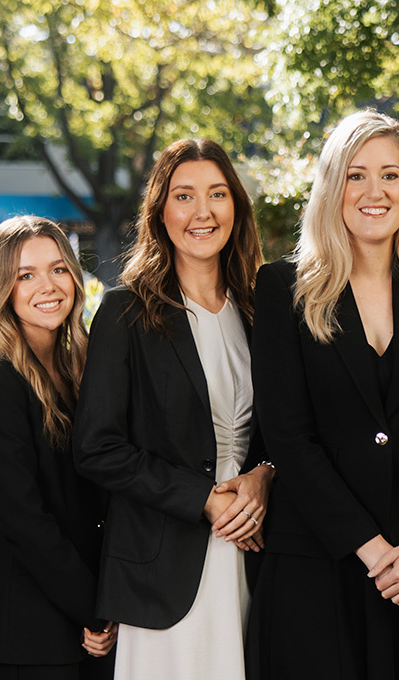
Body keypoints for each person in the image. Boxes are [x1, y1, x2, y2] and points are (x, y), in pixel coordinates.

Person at [246, 110, 399, 680]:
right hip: (317, 560)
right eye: (356, 175)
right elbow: (288, 436)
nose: (373, 191)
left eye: (389, 175)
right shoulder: (283, 288)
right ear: (333, 187)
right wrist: (374, 551)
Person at [73, 139, 273, 679]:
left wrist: (265, 475)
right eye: (184, 196)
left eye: (217, 194)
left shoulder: (262, 310)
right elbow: (96, 447)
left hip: (256, 548)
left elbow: (285, 429)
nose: (202, 212)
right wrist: (201, 499)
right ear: (160, 211)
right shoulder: (126, 312)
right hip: (162, 564)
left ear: (236, 207)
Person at [0, 216, 115, 679]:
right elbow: (23, 519)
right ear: (3, 289)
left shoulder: (80, 366)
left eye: (58, 269)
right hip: (30, 631)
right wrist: (93, 608)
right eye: (25, 275)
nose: (47, 286)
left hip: (87, 618)